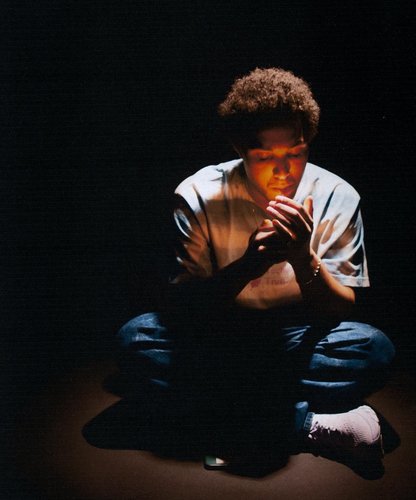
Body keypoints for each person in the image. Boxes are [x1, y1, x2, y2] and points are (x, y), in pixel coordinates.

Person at [82, 67, 395, 475]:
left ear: (309, 142)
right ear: (239, 148)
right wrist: (249, 266)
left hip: (297, 335)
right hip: (219, 332)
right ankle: (310, 427)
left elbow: (339, 309)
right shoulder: (198, 195)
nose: (283, 171)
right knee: (136, 340)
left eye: (295, 153)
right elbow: (185, 308)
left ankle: (219, 419)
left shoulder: (338, 196)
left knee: (373, 350)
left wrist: (303, 258)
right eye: (265, 157)